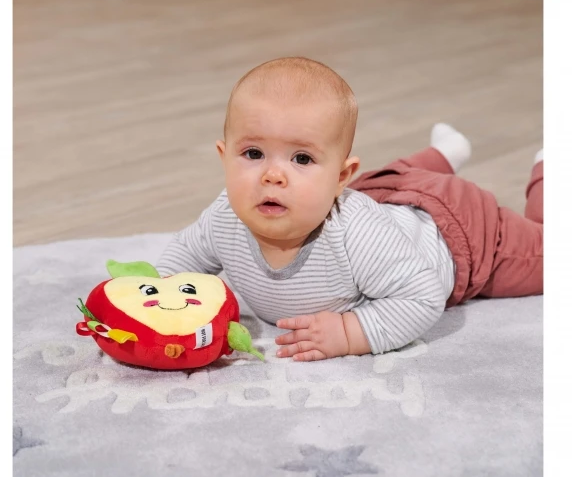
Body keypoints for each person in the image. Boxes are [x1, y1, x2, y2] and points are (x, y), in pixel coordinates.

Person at [156, 56, 543, 361]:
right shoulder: (224, 216)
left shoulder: (357, 233)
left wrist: (349, 332)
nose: (272, 175)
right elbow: (182, 257)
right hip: (381, 193)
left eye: (302, 158)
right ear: (224, 157)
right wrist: (151, 296)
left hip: (459, 233)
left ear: (341, 177)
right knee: (393, 179)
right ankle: (445, 153)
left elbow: (422, 298)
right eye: (254, 153)